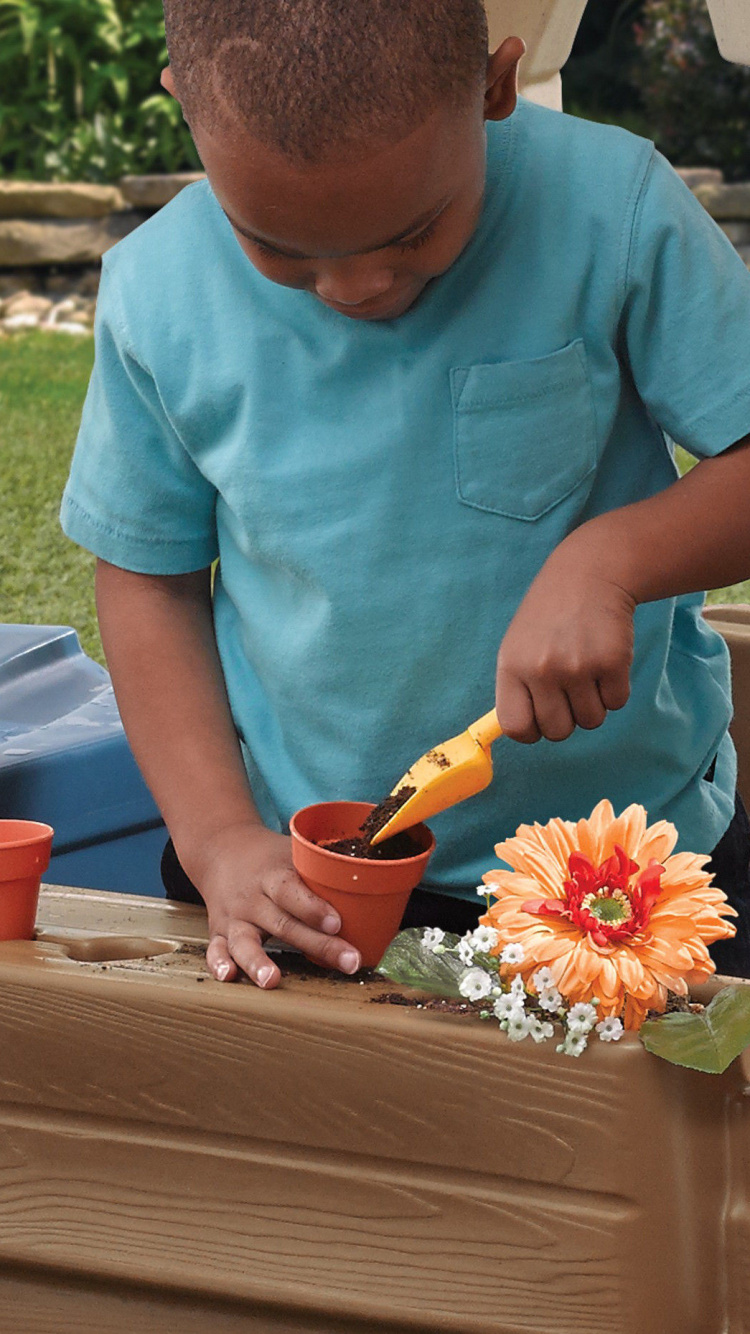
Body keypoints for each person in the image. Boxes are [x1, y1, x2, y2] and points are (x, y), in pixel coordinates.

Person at [61, 0, 750, 989]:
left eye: (414, 234)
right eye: (280, 249)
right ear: (184, 110)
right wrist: (217, 837)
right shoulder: (156, 293)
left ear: (494, 87)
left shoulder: (617, 208)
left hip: (633, 871)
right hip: (300, 880)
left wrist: (612, 561)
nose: (357, 287)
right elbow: (148, 581)